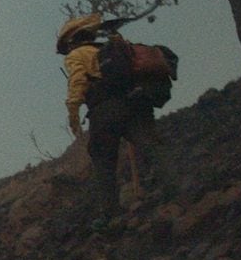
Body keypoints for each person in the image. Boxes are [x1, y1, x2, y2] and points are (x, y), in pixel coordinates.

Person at [59, 12, 168, 231]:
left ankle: (110, 213)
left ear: (72, 40)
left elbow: (78, 82)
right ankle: (174, 180)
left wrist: (73, 115)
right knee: (150, 145)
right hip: (137, 102)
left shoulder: (78, 55)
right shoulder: (112, 48)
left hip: (106, 110)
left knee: (103, 159)